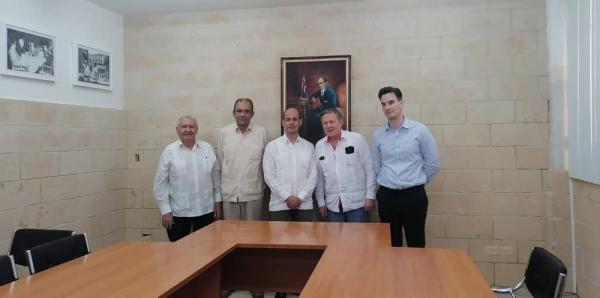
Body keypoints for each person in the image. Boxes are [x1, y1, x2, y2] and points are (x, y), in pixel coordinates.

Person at [372, 86, 440, 247]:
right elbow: (376, 165)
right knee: (390, 245)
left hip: (413, 196)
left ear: (401, 103)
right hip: (387, 197)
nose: (387, 107)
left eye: (391, 102)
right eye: (383, 104)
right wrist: (387, 180)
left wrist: (419, 179)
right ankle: (392, 273)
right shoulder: (378, 134)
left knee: (416, 243)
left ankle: (416, 273)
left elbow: (433, 163)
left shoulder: (419, 131)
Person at [153, 116, 222, 242]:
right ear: (177, 130)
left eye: (191, 126)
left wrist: (218, 202)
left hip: (205, 211)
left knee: (206, 251)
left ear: (196, 130)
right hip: (178, 213)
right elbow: (160, 183)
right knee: (179, 254)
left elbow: (215, 177)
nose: (188, 129)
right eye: (184, 126)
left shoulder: (207, 148)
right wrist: (165, 210)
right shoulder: (169, 152)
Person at [315, 108, 376, 222]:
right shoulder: (319, 146)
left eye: (332, 122)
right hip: (333, 207)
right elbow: (319, 177)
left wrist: (370, 196)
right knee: (335, 240)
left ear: (341, 122)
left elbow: (370, 169)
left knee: (358, 240)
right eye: (325, 123)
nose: (328, 126)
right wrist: (321, 202)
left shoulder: (356, 139)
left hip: (358, 205)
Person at [217, 98, 268, 221]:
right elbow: (221, 162)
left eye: (246, 111)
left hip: (253, 195)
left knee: (253, 236)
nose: (243, 114)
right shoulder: (224, 133)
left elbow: (264, 164)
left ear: (252, 114)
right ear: (233, 113)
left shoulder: (262, 133)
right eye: (239, 111)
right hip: (230, 194)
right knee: (231, 236)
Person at [263, 107, 317, 222]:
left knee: (306, 240)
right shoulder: (272, 147)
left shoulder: (309, 147)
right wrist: (287, 197)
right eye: (288, 119)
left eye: (294, 119)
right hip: (279, 205)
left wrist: (300, 197)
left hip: (305, 205)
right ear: (283, 122)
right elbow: (269, 176)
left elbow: (313, 176)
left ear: (300, 122)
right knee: (279, 240)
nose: (291, 122)